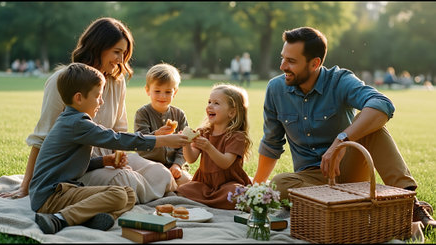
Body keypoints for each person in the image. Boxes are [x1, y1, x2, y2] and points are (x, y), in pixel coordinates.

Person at [252, 27, 435, 229]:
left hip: (349, 170)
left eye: (291, 61)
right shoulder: (275, 89)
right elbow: (271, 144)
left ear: (315, 64)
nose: (282, 66)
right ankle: (356, 204)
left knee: (373, 127)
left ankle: (412, 206)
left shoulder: (339, 81)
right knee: (279, 184)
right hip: (311, 179)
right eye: (283, 58)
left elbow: (382, 104)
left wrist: (341, 141)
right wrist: (254, 191)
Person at [0, 17, 178, 204]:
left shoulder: (117, 81)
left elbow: (119, 132)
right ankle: (134, 195)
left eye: (124, 54)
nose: (121, 60)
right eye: (117, 52)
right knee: (126, 182)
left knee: (160, 173)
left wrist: (118, 160)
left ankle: (140, 193)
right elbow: (41, 138)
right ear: (98, 47)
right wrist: (26, 186)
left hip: (107, 159)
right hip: (77, 166)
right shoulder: (63, 80)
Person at [31, 63, 188, 234]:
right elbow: (117, 139)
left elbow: (70, 165)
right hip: (51, 197)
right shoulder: (78, 123)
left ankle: (90, 218)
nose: (101, 101)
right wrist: (162, 139)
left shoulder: (73, 120)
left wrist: (104, 161)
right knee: (119, 195)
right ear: (78, 98)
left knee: (128, 194)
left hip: (65, 190)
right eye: (98, 96)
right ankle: (58, 219)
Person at [176, 84, 252, 209]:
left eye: (216, 103)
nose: (209, 106)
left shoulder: (236, 136)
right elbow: (191, 159)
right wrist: (186, 144)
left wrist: (209, 148)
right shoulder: (204, 132)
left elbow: (225, 163)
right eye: (209, 102)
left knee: (236, 192)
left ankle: (213, 200)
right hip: (205, 183)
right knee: (183, 189)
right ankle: (215, 201)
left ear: (232, 113)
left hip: (228, 183)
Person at [134, 63, 192, 186]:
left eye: (167, 92)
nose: (162, 96)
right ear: (147, 90)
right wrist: (157, 134)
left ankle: (170, 186)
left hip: (172, 166)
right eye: (157, 91)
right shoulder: (142, 113)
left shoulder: (179, 115)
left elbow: (185, 145)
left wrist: (177, 164)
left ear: (175, 92)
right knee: (159, 178)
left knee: (188, 182)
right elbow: (139, 141)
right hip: (149, 165)